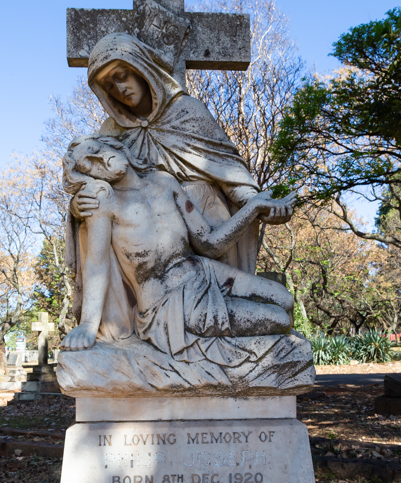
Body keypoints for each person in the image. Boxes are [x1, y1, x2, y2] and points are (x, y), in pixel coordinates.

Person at [63, 33, 293, 335]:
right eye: (109, 86)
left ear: (141, 68)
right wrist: (76, 207)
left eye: (122, 76)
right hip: (158, 276)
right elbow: (92, 187)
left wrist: (258, 204)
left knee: (285, 302)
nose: (119, 89)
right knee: (278, 319)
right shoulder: (110, 135)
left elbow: (227, 169)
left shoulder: (188, 114)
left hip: (203, 228)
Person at [61, 135, 295, 365]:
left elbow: (210, 244)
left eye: (96, 148)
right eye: (89, 164)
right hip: (170, 302)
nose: (102, 159)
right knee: (280, 318)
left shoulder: (164, 182)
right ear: (88, 177)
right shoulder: (103, 202)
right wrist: (88, 325)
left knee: (285, 299)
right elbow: (96, 263)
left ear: (114, 145)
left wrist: (253, 207)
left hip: (205, 271)